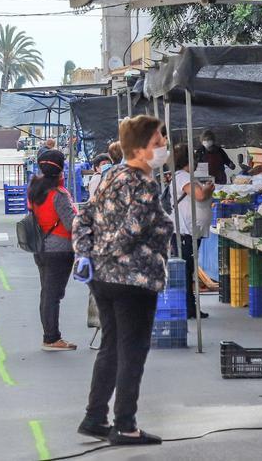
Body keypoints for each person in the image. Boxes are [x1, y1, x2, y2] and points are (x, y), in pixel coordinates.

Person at [73, 115, 174, 446]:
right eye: (158, 143)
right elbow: (133, 229)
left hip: (102, 278)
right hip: (133, 279)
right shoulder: (145, 184)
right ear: (142, 149)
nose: (163, 148)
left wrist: (87, 253)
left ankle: (94, 416)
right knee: (133, 350)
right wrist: (109, 250)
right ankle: (125, 424)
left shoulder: (110, 174)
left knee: (111, 346)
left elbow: (84, 216)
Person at [27, 149, 78, 352]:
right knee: (53, 295)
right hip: (60, 249)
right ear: (61, 170)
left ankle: (49, 335)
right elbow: (71, 224)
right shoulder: (60, 195)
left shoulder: (35, 189)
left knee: (47, 293)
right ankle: (51, 338)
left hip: (40, 247)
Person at [172, 143, 213, 320]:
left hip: (190, 231)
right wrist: (208, 189)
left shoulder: (185, 177)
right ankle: (189, 307)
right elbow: (199, 196)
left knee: (189, 269)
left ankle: (190, 305)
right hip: (185, 231)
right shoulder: (182, 177)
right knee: (187, 269)